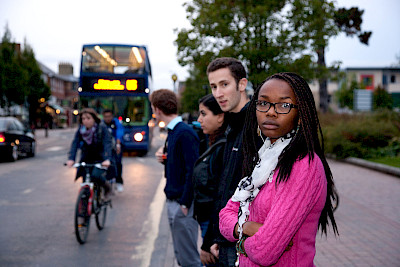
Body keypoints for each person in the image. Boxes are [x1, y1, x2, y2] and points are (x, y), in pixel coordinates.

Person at [219, 72, 339, 266]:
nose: (271, 112)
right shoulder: (265, 159)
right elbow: (224, 216)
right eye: (263, 103)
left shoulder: (303, 165)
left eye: (284, 105)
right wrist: (248, 227)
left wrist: (239, 239)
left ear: (301, 115)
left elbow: (264, 251)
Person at [206, 57, 250, 266]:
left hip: (242, 242)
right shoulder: (232, 126)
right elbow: (224, 187)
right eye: (214, 86)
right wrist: (215, 237)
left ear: (242, 84)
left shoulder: (255, 127)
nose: (218, 94)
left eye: (224, 84)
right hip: (226, 238)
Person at [151, 89, 201, 267]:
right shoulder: (174, 131)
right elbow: (180, 163)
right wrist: (165, 158)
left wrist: (185, 204)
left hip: (182, 203)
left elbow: (192, 170)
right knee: (181, 256)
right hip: (175, 201)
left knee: (189, 260)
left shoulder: (183, 132)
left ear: (157, 109)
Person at [193, 94, 227, 266]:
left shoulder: (223, 148)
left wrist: (207, 243)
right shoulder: (212, 143)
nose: (199, 119)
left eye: (204, 114)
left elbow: (220, 198)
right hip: (207, 223)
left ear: (220, 117)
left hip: (212, 227)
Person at [66, 108, 113, 198]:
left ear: (94, 119)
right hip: (86, 157)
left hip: (100, 158)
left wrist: (107, 159)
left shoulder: (101, 128)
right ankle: (85, 205)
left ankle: (106, 187)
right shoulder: (81, 130)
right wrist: (71, 159)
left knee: (96, 175)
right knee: (85, 178)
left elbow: (107, 143)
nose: (85, 121)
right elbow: (75, 143)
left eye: (88, 118)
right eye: (83, 119)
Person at [102, 109, 125, 192]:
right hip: (105, 146)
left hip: (116, 145)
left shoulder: (116, 123)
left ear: (112, 116)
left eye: (109, 116)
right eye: (105, 117)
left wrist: (118, 144)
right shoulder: (101, 124)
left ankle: (119, 182)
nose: (107, 118)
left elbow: (120, 132)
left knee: (118, 163)